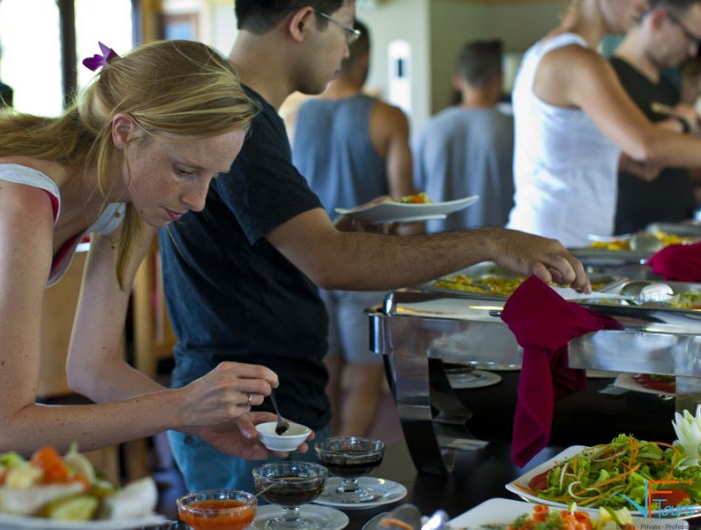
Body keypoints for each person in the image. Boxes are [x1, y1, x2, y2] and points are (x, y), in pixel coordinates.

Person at [160, 0, 589, 494]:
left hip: (254, 396)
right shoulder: (242, 118)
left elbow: (256, 245)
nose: (348, 47)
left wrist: (341, 226)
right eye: (347, 30)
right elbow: (329, 261)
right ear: (301, 23)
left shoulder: (249, 112)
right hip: (244, 413)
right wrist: (491, 241)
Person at [0, 39, 305, 463]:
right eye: (185, 170)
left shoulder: (129, 197)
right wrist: (182, 405)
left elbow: (93, 366)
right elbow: (9, 428)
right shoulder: (22, 204)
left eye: (212, 178)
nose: (198, 200)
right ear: (124, 131)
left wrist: (201, 420)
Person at [285, 20, 414, 438]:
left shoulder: (293, 118)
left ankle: (321, 465)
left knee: (323, 375)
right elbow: (405, 206)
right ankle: (344, 473)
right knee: (364, 377)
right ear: (365, 58)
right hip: (365, 268)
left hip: (308, 261)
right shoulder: (388, 117)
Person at [506, 0, 701, 248]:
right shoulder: (577, 58)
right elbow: (647, 144)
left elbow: (566, 148)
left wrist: (616, 161)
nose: (643, 5)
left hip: (557, 238)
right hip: (554, 241)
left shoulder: (550, 50)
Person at [611, 0, 701, 234]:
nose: (692, 50)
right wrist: (679, 123)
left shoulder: (668, 87)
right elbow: (633, 150)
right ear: (658, 21)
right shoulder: (609, 79)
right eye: (690, 37)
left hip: (676, 227)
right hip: (630, 236)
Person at [413, 39, 514, 232]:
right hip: (501, 250)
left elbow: (416, 194)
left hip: (439, 249)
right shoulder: (516, 129)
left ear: (457, 80)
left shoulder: (430, 129)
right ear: (500, 78)